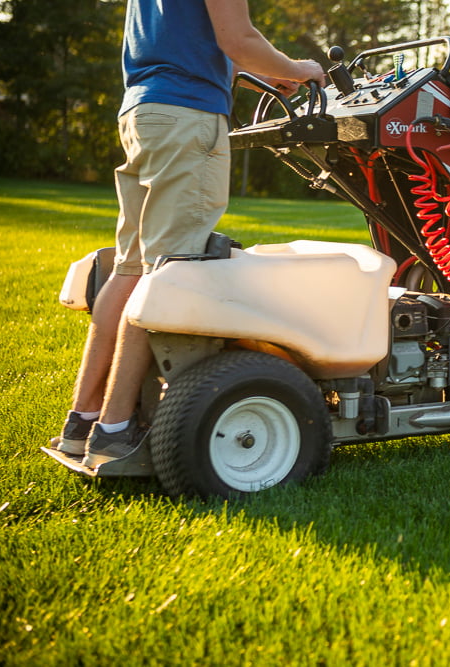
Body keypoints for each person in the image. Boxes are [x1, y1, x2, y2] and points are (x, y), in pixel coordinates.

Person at [50, 0, 326, 467]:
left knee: (132, 270)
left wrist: (260, 73)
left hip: (145, 111)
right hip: (186, 116)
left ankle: (83, 421)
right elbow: (237, 38)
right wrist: (303, 68)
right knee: (168, 275)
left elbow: (193, 45)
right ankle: (115, 432)